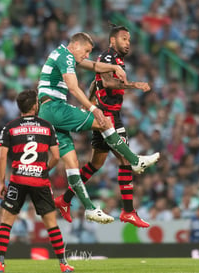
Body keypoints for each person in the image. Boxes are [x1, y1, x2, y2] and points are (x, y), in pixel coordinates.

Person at [38, 32, 159, 224]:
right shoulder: (66, 56)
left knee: (72, 163)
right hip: (54, 108)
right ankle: (134, 160)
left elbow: (93, 65)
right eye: (86, 51)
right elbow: (73, 87)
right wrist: (93, 108)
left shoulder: (64, 55)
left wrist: (113, 67)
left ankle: (88, 207)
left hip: (48, 114)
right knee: (104, 122)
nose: (86, 56)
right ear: (76, 45)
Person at [0, 90, 74, 273]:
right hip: (40, 181)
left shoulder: (10, 127)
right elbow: (56, 156)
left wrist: (1, 182)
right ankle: (63, 265)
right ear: (34, 106)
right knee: (51, 224)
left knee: (6, 222)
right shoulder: (47, 127)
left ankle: (0, 264)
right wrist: (44, 169)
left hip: (17, 179)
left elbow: (2, 157)